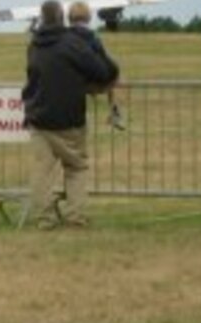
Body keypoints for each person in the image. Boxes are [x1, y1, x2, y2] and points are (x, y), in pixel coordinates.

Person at [23, 0, 118, 230]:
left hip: (39, 118)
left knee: (42, 172)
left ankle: (45, 219)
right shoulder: (73, 44)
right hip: (69, 119)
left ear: (43, 18)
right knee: (76, 168)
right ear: (61, 17)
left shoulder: (33, 45)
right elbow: (103, 71)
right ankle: (75, 217)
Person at [68, 1, 126, 130]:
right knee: (116, 75)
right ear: (88, 17)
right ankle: (115, 111)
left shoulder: (64, 37)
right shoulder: (92, 37)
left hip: (70, 83)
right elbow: (105, 60)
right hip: (92, 82)